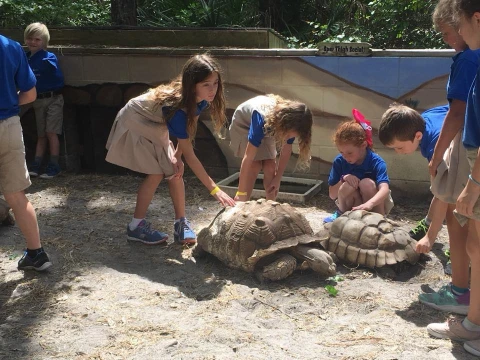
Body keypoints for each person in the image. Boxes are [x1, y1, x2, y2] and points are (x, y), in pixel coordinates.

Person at [106, 54, 235, 246]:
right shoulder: (176, 107)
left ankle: (180, 224)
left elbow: (190, 127)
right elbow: (191, 156)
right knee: (157, 172)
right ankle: (136, 227)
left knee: (174, 170)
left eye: (215, 83)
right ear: (192, 85)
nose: (213, 89)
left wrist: (177, 156)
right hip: (136, 121)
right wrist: (215, 190)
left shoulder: (198, 99)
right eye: (206, 84)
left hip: (155, 123)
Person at [426, 0, 480, 356]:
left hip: (469, 155)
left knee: (465, 229)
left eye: (453, 29)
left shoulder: (468, 59)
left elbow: (458, 110)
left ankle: (463, 297)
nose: (453, 36)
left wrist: (438, 154)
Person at [379, 103, 471, 315]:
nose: (398, 153)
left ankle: (461, 279)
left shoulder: (435, 147)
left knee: (456, 211)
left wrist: (430, 237)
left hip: (468, 156)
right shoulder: (423, 118)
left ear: (417, 135)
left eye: (399, 148)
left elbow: (442, 196)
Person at [0, 34, 52, 271]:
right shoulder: (10, 46)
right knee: (17, 196)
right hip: (9, 126)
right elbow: (30, 94)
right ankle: (36, 253)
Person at [228, 94, 312, 201]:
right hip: (244, 125)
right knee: (254, 165)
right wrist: (240, 191)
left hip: (270, 127)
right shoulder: (260, 119)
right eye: (290, 135)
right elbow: (248, 157)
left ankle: (271, 204)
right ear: (286, 124)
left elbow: (286, 150)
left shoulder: (293, 125)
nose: (290, 138)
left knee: (270, 166)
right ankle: (242, 200)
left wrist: (277, 179)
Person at [324, 109, 393, 223]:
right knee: (347, 185)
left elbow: (384, 189)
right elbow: (332, 195)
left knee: (367, 183)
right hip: (351, 207)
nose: (345, 157)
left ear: (363, 145)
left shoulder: (376, 162)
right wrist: (343, 179)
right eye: (341, 152)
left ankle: (379, 220)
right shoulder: (339, 161)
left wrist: (369, 204)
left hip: (372, 207)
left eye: (349, 153)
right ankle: (342, 216)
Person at [23, 23, 65, 179]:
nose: (33, 42)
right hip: (37, 100)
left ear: (44, 41)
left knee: (51, 132)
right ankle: (37, 163)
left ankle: (54, 165)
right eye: (30, 38)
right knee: (41, 133)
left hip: (53, 99)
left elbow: (52, 71)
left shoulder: (49, 57)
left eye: (37, 39)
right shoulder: (25, 57)